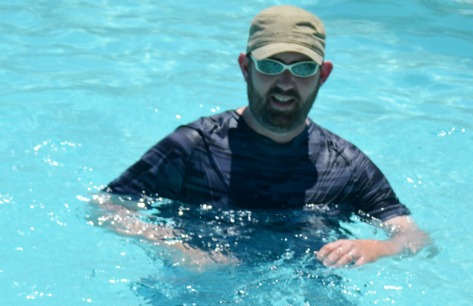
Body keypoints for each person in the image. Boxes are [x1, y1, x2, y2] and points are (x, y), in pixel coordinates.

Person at [95, 5, 431, 271]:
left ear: (323, 75)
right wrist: (177, 248)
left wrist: (379, 248)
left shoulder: (344, 165)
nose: (285, 83)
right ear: (246, 67)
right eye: (271, 67)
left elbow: (415, 237)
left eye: (302, 69)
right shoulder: (194, 148)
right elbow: (105, 207)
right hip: (197, 304)